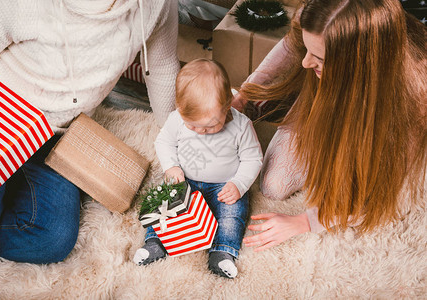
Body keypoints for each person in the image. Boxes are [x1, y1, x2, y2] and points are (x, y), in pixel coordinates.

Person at [0, 0, 180, 268]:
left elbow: (162, 65)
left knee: (52, 239)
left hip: (56, 133)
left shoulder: (156, 4)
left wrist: (179, 145)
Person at [235, 0, 426, 251]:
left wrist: (304, 222)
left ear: (362, 62)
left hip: (368, 123)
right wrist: (245, 96)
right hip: (319, 101)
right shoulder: (318, 17)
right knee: (273, 186)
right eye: (307, 48)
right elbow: (290, 50)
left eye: (320, 58)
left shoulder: (413, 97)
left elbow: (372, 196)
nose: (305, 63)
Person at [133, 58, 263, 278]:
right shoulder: (176, 120)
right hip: (186, 180)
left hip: (225, 184)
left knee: (233, 213)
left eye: (211, 126)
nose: (201, 132)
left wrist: (238, 184)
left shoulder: (241, 126)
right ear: (179, 109)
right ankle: (155, 241)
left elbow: (253, 158)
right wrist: (171, 167)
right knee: (164, 203)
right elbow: (163, 142)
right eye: (192, 126)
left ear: (228, 106)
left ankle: (223, 251)